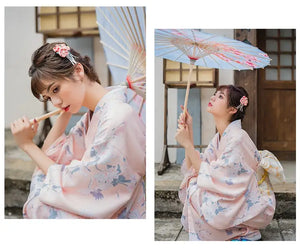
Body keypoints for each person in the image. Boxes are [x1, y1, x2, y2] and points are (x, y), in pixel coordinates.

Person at [10, 42, 146, 219]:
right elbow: (50, 159)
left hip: (121, 213)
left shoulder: (116, 117)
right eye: (49, 98)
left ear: (78, 71)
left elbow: (81, 183)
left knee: (43, 206)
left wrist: (28, 146)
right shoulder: (94, 114)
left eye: (56, 89)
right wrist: (64, 114)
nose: (55, 102)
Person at [175, 85, 278, 240]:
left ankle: (240, 230)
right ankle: (230, 230)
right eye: (214, 94)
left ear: (232, 109)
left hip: (249, 200)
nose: (213, 98)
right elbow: (195, 169)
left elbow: (213, 178)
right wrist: (189, 132)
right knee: (194, 185)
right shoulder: (220, 137)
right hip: (233, 194)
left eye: (220, 96)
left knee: (201, 194)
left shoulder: (238, 138)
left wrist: (188, 145)